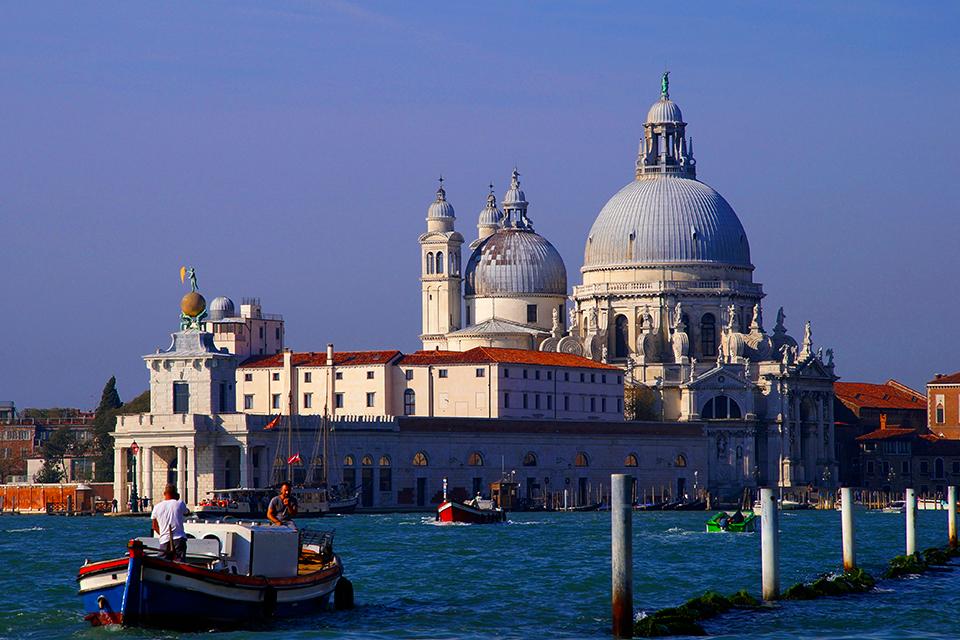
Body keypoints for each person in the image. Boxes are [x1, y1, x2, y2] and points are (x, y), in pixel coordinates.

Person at [151, 484, 189, 561]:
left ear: (164, 494)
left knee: (162, 562)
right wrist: (177, 499)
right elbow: (187, 512)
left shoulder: (157, 507)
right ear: (176, 494)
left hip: (164, 539)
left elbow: (154, 526)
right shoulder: (180, 503)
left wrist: (163, 533)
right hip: (179, 538)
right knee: (180, 561)